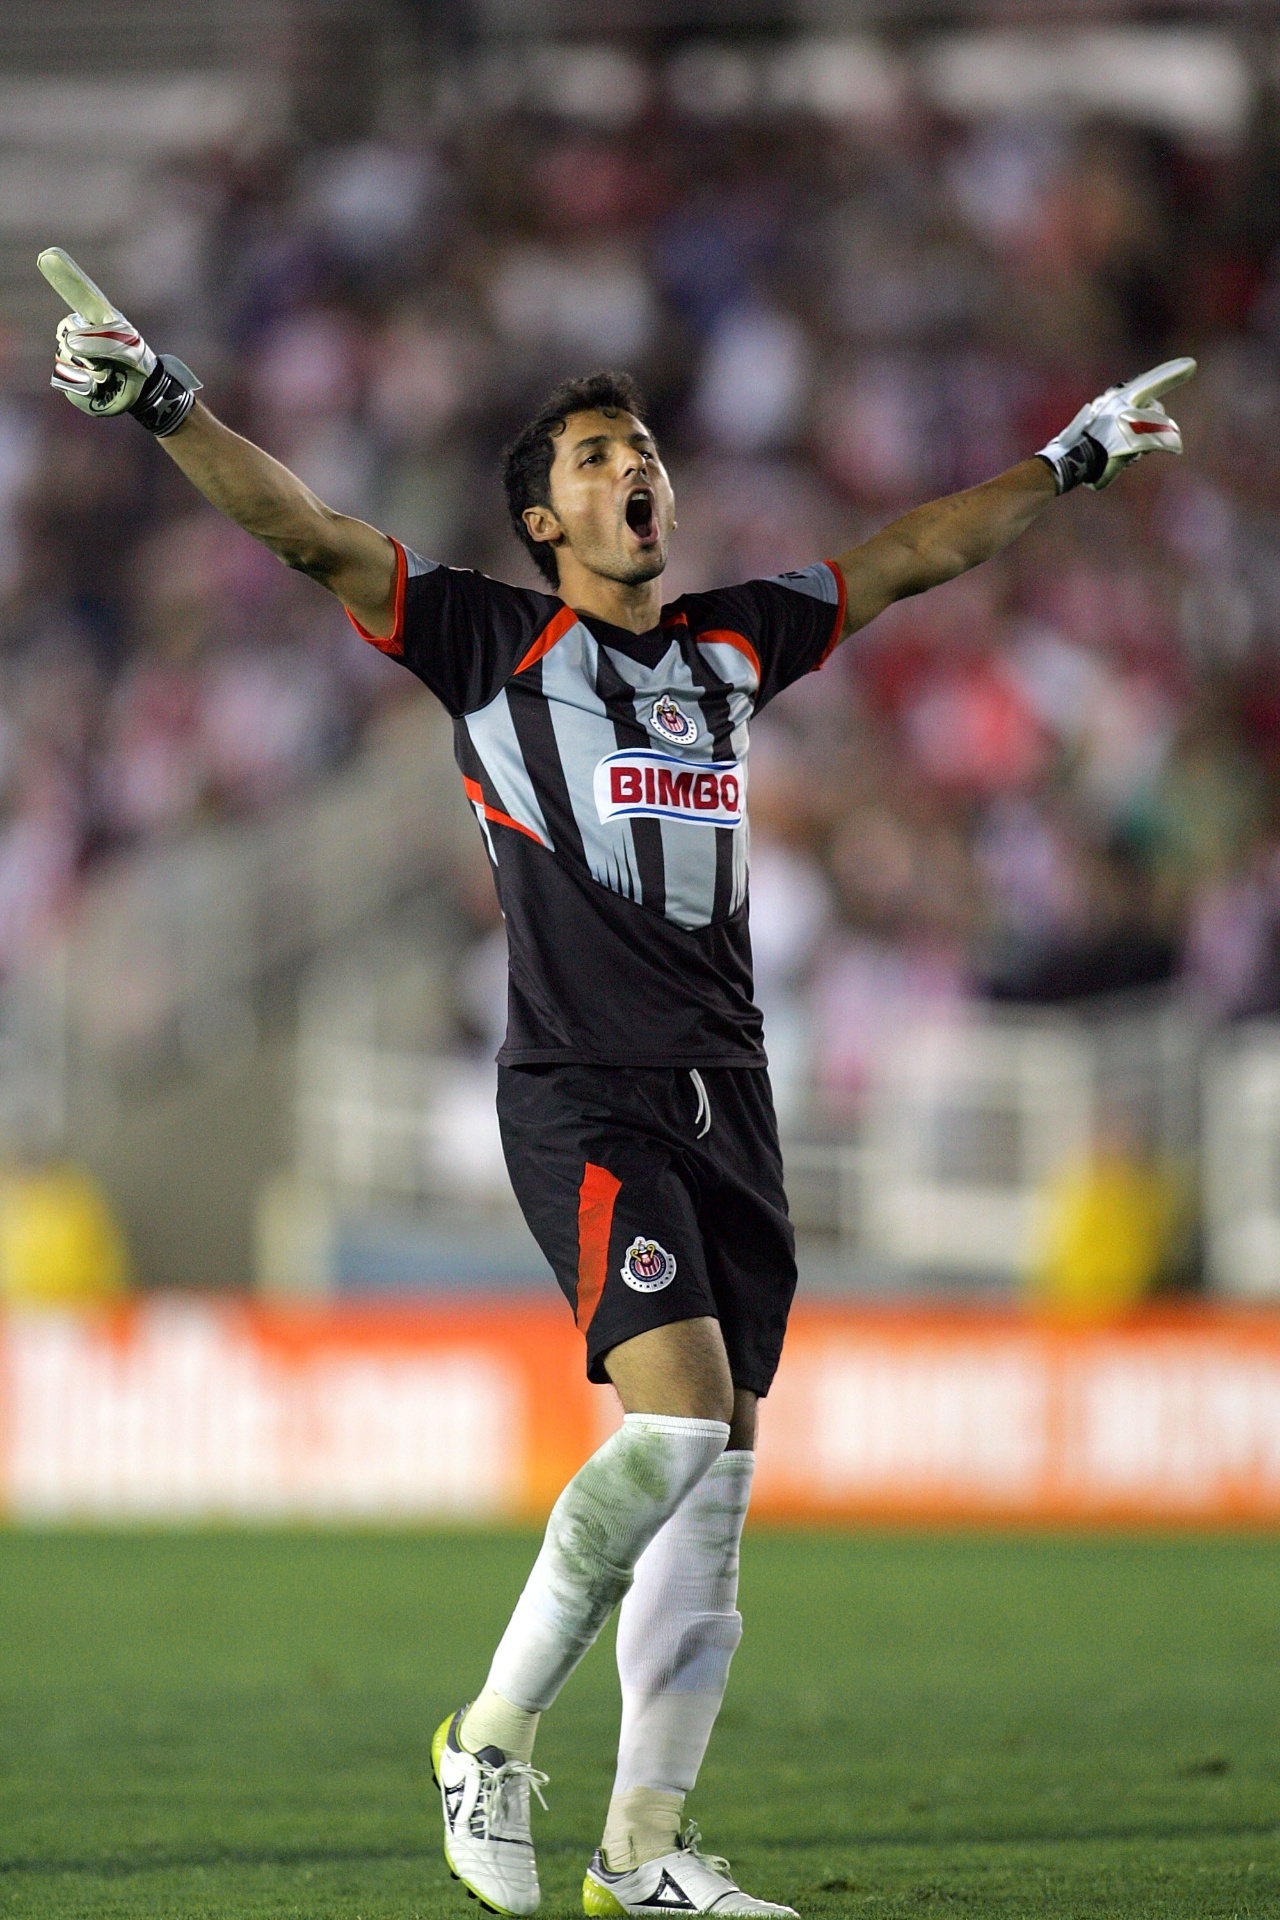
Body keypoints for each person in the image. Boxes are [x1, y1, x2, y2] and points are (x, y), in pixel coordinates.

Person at [46, 278, 1193, 1918]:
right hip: (585, 1094)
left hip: (735, 1095)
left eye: (641, 443)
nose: (632, 464)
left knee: (716, 1485)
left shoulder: (735, 644)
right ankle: (489, 1739)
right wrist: (162, 401)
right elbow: (300, 528)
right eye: (595, 453)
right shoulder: (485, 640)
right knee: (665, 1428)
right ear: (544, 512)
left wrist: (1068, 461)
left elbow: (921, 549)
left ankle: (644, 1850)